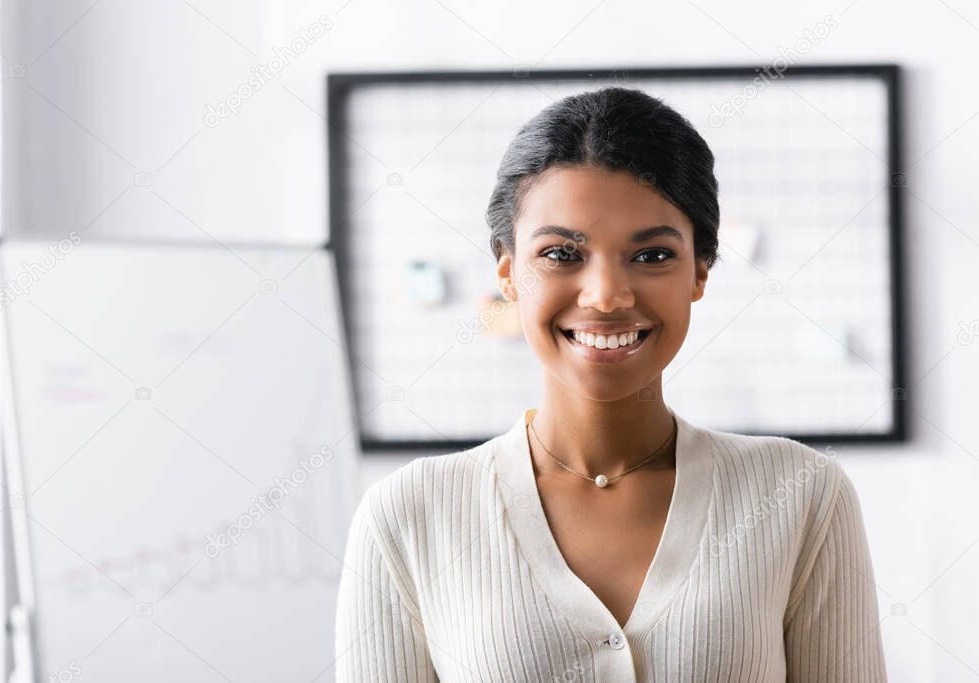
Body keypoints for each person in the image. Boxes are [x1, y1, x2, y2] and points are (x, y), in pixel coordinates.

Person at [334, 85, 887, 682]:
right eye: (561, 253)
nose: (606, 296)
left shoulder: (802, 496)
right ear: (508, 273)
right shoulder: (409, 516)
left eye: (651, 256)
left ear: (700, 271)